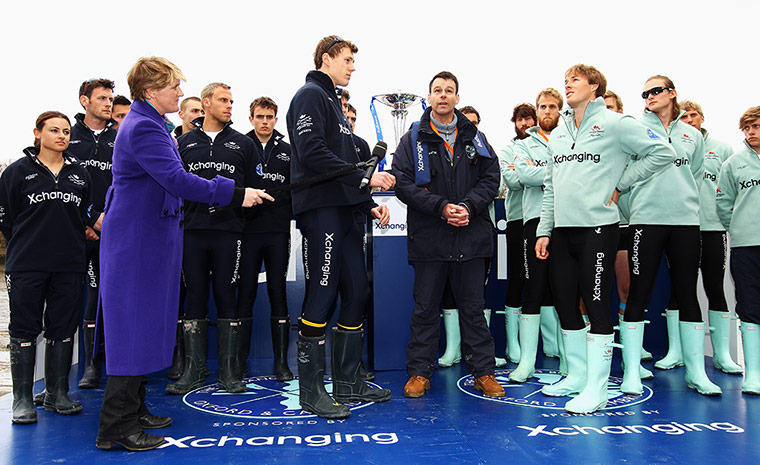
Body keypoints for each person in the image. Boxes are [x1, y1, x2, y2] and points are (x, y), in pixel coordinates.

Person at [96, 56, 270, 452]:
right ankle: (115, 427)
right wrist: (235, 193)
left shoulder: (152, 124)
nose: (179, 92)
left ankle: (134, 409)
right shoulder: (144, 128)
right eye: (173, 86)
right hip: (139, 240)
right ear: (149, 91)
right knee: (133, 328)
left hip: (149, 237)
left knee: (142, 324)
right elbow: (175, 179)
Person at [535, 64, 675, 413]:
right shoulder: (561, 132)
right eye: (565, 80)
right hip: (562, 232)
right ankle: (578, 376)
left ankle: (597, 389)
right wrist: (544, 230)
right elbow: (551, 185)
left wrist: (621, 183)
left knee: (597, 306)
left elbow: (663, 152)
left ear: (594, 87)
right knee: (566, 304)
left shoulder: (616, 123)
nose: (567, 85)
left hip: (599, 229)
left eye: (575, 80)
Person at [285, 35, 394, 419]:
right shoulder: (309, 95)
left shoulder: (334, 101)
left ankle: (348, 381)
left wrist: (367, 201)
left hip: (346, 211)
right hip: (322, 211)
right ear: (327, 58)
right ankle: (311, 391)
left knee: (358, 291)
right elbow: (312, 152)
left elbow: (346, 170)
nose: (352, 66)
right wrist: (365, 179)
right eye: (347, 59)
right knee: (322, 294)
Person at [393, 71, 503, 399]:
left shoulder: (475, 137)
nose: (443, 95)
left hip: (471, 238)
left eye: (449, 91)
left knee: (473, 308)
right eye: (437, 90)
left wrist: (468, 206)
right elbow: (402, 182)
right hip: (431, 239)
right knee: (426, 309)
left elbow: (491, 177)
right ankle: (419, 373)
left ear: (457, 97)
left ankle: (483, 372)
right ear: (429, 98)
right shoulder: (412, 139)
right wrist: (441, 207)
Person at [620, 75, 721, 397]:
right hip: (645, 220)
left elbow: (692, 174)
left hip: (686, 222)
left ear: (671, 93)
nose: (649, 96)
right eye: (645, 93)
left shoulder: (692, 134)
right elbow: (625, 172)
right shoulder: (635, 129)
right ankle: (632, 372)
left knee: (687, 294)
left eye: (655, 91)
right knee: (638, 294)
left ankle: (696, 374)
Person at [0, 111, 92, 424]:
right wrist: (24, 247)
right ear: (38, 133)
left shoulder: (80, 174)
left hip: (69, 264)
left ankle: (57, 392)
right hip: (27, 264)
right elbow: (7, 218)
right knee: (24, 328)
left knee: (63, 326)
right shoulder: (16, 172)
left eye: (66, 131)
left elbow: (85, 217)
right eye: (54, 130)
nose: (62, 136)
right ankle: (23, 399)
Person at [167, 82, 257, 396]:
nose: (229, 105)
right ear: (206, 103)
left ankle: (230, 373)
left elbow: (253, 190)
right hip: (191, 231)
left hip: (229, 232)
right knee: (194, 296)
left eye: (232, 100)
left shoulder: (243, 144)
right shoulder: (182, 142)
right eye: (223, 100)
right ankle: (193, 370)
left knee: (226, 296)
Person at [675, 100, 741, 374]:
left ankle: (722, 354)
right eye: (685, 116)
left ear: (702, 117)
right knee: (681, 290)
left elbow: (730, 187)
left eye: (694, 115)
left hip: (713, 227)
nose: (689, 119)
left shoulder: (722, 148)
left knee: (715, 286)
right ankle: (677, 351)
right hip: (682, 226)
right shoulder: (674, 144)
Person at [437, 105, 504, 369]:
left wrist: (468, 206)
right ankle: (454, 349)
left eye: (474, 122)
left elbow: (492, 181)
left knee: (477, 297)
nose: (469, 125)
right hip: (444, 232)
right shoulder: (443, 144)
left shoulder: (482, 145)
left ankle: (480, 357)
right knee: (448, 294)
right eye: (466, 121)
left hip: (476, 232)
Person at [238, 96, 294, 381]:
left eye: (269, 117)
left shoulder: (287, 151)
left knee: (277, 292)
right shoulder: (241, 146)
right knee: (245, 293)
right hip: (247, 232)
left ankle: (281, 363)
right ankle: (239, 363)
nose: (264, 121)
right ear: (251, 119)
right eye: (259, 116)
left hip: (277, 231)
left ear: (275, 119)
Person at [511, 88, 563, 383]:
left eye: (552, 106)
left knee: (566, 291)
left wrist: (542, 169)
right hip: (534, 219)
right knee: (534, 288)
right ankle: (527, 363)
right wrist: (558, 170)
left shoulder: (570, 138)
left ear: (560, 110)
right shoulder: (524, 143)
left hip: (567, 220)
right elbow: (523, 175)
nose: (546, 111)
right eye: (542, 106)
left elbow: (537, 174)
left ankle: (570, 363)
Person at [68, 78, 117, 391]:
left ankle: (100, 365)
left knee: (105, 298)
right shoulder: (67, 136)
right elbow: (60, 182)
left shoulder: (121, 137)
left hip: (112, 232)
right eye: (101, 98)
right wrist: (88, 219)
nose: (108, 103)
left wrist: (106, 220)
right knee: (70, 299)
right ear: (84, 100)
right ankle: (75, 372)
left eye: (110, 98)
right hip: (74, 232)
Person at [604, 90, 654, 376]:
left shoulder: (630, 140)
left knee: (626, 289)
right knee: (587, 293)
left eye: (613, 108)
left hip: (624, 225)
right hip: (594, 226)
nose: (608, 112)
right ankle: (593, 352)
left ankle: (631, 353)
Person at [716, 105, 760, 395]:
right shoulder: (733, 163)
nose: (751, 132)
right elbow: (723, 205)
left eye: (756, 126)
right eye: (747, 128)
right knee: (750, 304)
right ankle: (754, 374)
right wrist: (741, 227)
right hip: (746, 245)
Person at [498, 103, 536, 364]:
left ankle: (550, 345)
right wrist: (531, 173)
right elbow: (512, 181)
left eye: (528, 119)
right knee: (517, 279)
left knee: (544, 282)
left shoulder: (549, 142)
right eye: (520, 120)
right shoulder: (507, 150)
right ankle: (513, 345)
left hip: (545, 218)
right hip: (516, 220)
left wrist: (530, 172)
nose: (525, 124)